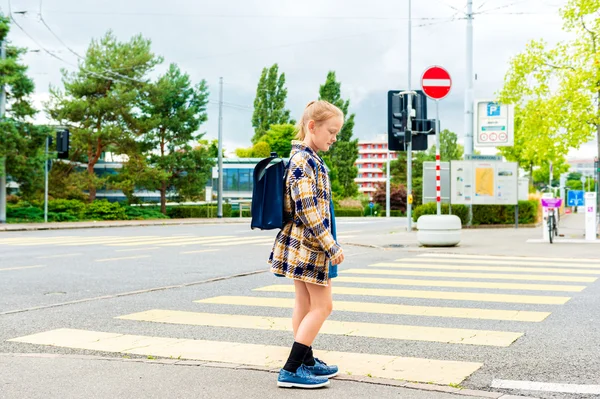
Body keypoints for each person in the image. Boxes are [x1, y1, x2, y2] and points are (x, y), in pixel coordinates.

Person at [268, 100, 346, 389]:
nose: (334, 138)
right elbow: (307, 210)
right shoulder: (303, 161)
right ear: (312, 126)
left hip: (302, 244)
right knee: (323, 306)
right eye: (331, 131)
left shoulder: (306, 158)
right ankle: (291, 369)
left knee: (304, 302)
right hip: (310, 246)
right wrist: (331, 245)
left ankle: (306, 361)